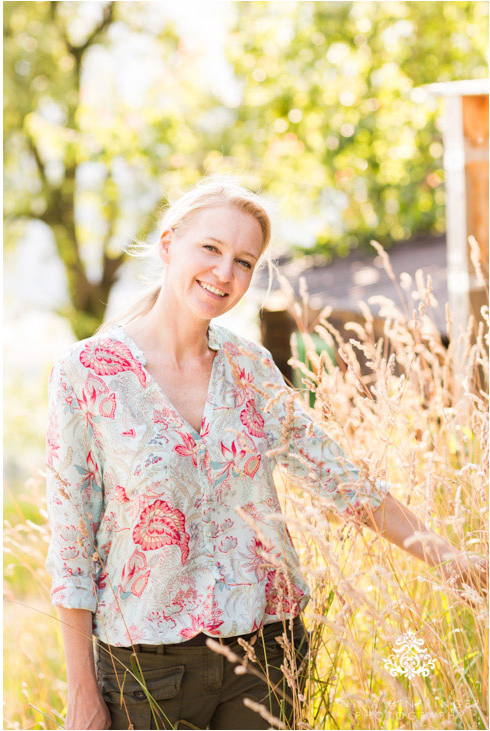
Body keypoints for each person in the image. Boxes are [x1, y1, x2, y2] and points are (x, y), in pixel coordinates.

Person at [44, 179, 489, 730]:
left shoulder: (250, 369)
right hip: (145, 666)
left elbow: (342, 480)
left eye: (244, 261)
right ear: (168, 245)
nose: (224, 273)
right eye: (210, 248)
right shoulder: (86, 372)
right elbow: (71, 543)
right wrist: (81, 691)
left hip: (268, 654)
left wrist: (452, 560)